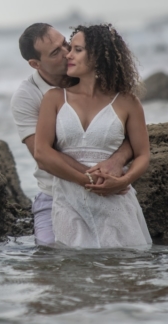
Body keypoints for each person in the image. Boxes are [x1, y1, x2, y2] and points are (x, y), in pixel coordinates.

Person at [10, 23, 133, 245]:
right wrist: (94, 179)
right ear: (36, 64)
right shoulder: (28, 96)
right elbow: (44, 155)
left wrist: (117, 162)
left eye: (65, 43)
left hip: (112, 188)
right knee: (50, 255)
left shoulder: (89, 75)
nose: (68, 53)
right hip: (55, 193)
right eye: (56, 52)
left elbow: (130, 134)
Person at [33, 24, 152, 248]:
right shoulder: (55, 98)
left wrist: (123, 181)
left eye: (77, 50)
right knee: (74, 270)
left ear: (97, 57)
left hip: (116, 203)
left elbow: (143, 154)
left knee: (123, 274)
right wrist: (86, 181)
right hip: (69, 202)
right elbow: (42, 153)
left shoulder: (128, 102)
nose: (68, 54)